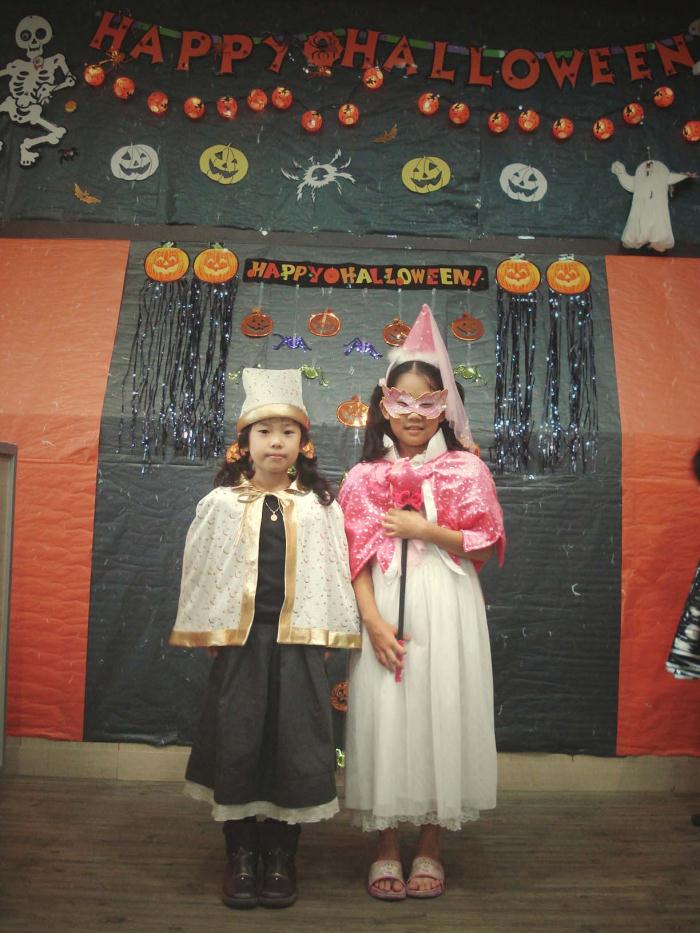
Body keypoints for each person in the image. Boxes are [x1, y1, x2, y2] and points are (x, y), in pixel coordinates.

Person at [170, 368, 361, 910]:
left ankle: (281, 854)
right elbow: (202, 566)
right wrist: (211, 625)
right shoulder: (221, 504)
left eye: (287, 432)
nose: (276, 442)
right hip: (242, 645)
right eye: (264, 432)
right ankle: (241, 853)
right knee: (239, 737)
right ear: (245, 442)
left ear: (303, 443)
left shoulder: (320, 507)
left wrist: (327, 628)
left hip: (298, 644)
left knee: (295, 743)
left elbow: (335, 569)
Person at [338, 305, 506, 901]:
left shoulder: (467, 469)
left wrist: (425, 529)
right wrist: (373, 622)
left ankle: (430, 843)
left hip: (448, 602)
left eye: (427, 401)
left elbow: (485, 538)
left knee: (443, 707)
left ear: (445, 406)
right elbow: (353, 557)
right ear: (384, 406)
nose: (414, 413)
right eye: (402, 401)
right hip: (383, 605)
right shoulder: (361, 477)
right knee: (384, 714)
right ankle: (385, 843)